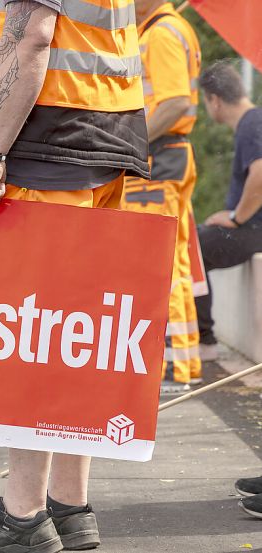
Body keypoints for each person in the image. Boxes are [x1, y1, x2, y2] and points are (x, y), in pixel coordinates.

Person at [0, 0, 149, 551]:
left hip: (38, 145)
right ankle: (69, 505)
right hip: (91, 140)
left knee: (29, 337)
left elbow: (33, 38)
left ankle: (24, 515)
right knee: (71, 335)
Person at [121, 0, 203, 392]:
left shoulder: (161, 33)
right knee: (175, 264)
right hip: (169, 158)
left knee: (159, 267)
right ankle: (183, 366)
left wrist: (129, 146)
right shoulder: (161, 29)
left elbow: (174, 103)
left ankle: (174, 368)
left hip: (159, 160)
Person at [194, 61, 262, 359]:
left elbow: (260, 173)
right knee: (194, 240)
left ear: (215, 99)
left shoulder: (252, 122)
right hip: (251, 228)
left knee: (190, 246)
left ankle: (203, 340)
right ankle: (200, 336)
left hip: (253, 229)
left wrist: (235, 217)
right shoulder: (251, 123)